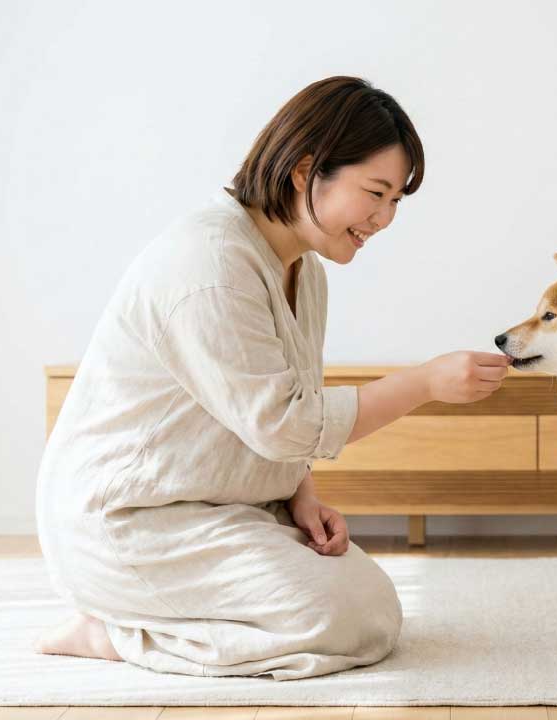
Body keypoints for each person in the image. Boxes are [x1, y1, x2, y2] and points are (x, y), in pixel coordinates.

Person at [33, 76, 511, 680]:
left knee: (372, 607)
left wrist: (299, 494)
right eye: (376, 192)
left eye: (396, 201)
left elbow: (269, 402)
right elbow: (287, 423)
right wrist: (423, 383)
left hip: (207, 507)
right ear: (305, 169)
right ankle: (119, 632)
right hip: (126, 521)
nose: (384, 218)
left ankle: (149, 620)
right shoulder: (210, 265)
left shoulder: (303, 271)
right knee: (349, 617)